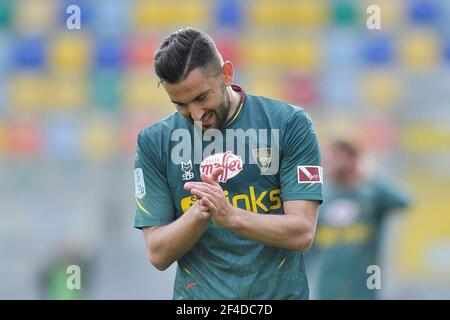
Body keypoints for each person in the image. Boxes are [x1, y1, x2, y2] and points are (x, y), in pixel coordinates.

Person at [133, 27, 323, 299]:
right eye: (180, 105)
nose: (196, 114)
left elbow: (302, 232)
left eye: (201, 97)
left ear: (227, 74)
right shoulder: (155, 142)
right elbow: (158, 253)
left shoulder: (289, 124)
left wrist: (231, 216)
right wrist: (200, 212)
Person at [308, 137, 410, 300]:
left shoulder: (373, 194)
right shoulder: (323, 197)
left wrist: (372, 175)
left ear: (352, 159)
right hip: (328, 288)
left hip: (366, 287)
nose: (327, 160)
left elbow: (405, 201)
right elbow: (310, 248)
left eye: (334, 155)